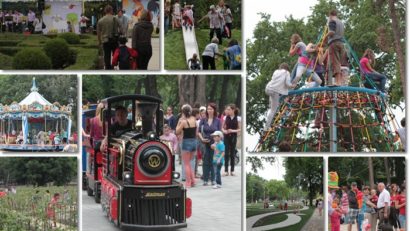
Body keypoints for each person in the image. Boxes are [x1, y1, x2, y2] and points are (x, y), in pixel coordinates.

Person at [264, 63, 293, 131]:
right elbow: (288, 84)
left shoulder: (276, 71)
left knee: (271, 106)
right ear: (287, 69)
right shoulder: (286, 72)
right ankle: (266, 127)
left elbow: (277, 81)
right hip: (274, 91)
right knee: (273, 110)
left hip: (268, 88)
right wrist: (292, 85)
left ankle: (270, 105)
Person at [198, 103, 221, 186]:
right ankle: (205, 179)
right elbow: (199, 132)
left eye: (211, 109)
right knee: (205, 161)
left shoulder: (218, 120)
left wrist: (216, 143)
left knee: (213, 161)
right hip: (205, 142)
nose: (209, 110)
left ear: (214, 110)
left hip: (214, 144)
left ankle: (213, 179)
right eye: (208, 109)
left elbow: (220, 133)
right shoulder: (203, 120)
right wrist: (202, 139)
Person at [176, 104, 197, 188]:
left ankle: (188, 182)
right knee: (190, 163)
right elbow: (196, 131)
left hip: (186, 142)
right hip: (194, 142)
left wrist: (179, 122)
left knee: (186, 164)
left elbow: (177, 131)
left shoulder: (183, 121)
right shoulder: (194, 119)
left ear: (183, 112)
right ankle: (193, 181)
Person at [324, 10, 345, 86]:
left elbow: (332, 32)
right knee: (338, 63)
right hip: (341, 44)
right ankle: (338, 81)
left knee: (335, 63)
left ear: (330, 15)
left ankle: (338, 82)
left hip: (334, 43)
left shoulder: (332, 21)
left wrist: (325, 37)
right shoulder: (341, 23)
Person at [97, 5, 121, 70]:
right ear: (111, 10)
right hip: (114, 40)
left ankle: (108, 68)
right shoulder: (115, 18)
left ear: (105, 11)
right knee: (115, 55)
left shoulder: (100, 20)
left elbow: (98, 33)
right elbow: (121, 28)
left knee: (107, 56)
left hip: (105, 41)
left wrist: (99, 42)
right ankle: (114, 66)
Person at [222, 104, 240, 176]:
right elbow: (222, 128)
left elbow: (240, 129)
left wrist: (232, 130)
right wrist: (224, 131)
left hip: (233, 136)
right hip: (226, 136)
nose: (227, 111)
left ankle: (232, 170)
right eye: (227, 109)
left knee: (232, 154)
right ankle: (226, 170)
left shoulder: (238, 118)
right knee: (226, 153)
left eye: (229, 109)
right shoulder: (225, 117)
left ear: (233, 110)